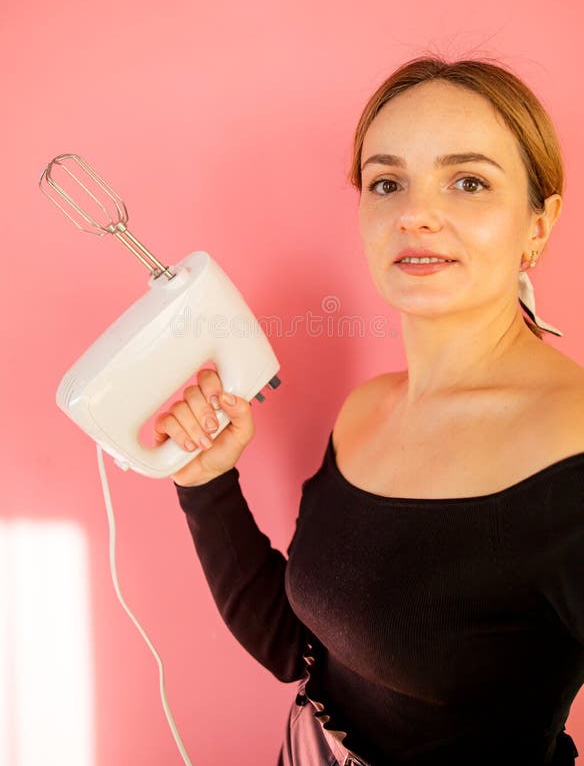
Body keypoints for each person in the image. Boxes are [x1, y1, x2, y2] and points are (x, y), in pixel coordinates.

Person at [154, 57, 584, 765]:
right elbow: (300, 651)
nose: (414, 212)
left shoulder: (573, 458)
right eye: (387, 182)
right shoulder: (366, 412)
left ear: (539, 223)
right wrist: (206, 481)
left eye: (468, 181)